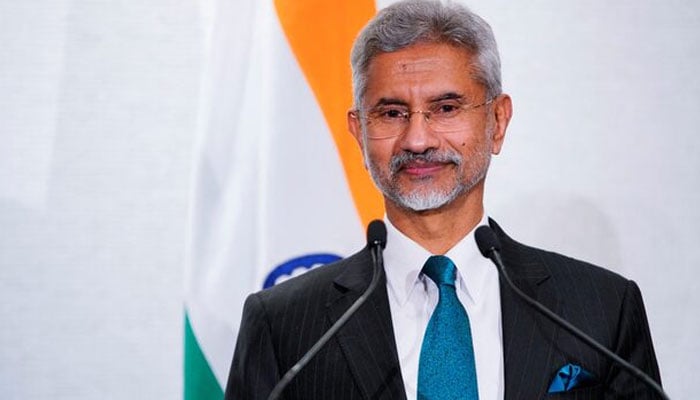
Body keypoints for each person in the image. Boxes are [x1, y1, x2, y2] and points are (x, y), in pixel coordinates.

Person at [224, 1, 662, 399]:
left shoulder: (601, 309)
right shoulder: (283, 325)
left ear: (498, 121)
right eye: (392, 113)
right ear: (359, 133)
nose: (417, 139)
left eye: (446, 108)